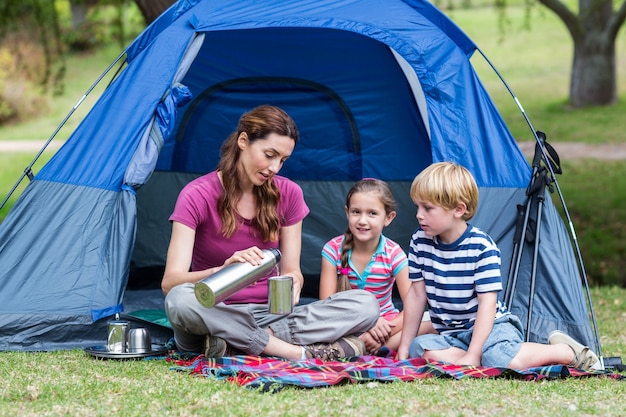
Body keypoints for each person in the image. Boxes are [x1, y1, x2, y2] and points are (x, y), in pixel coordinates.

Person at [162, 105, 379, 361]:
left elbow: (291, 270)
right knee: (180, 300)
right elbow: (170, 283)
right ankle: (292, 351)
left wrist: (294, 283)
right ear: (243, 141)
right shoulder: (196, 195)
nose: (274, 167)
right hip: (213, 310)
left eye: (283, 160)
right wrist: (222, 270)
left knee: (365, 304)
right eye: (269, 154)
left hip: (270, 314)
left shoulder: (289, 194)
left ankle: (234, 344)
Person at [396, 162, 599, 370]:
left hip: (493, 327)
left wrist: (474, 353)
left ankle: (563, 351)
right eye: (417, 207)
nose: (419, 215)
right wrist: (403, 347)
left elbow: (487, 304)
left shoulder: (481, 247)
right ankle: (482, 357)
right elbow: (417, 295)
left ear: (458, 209)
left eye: (427, 208)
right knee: (419, 347)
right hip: (453, 334)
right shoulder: (420, 241)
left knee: (498, 358)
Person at [319, 178, 434, 355]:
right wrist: (367, 324)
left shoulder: (394, 254)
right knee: (318, 327)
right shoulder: (332, 250)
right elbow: (326, 307)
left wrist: (380, 330)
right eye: (356, 212)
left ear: (388, 218)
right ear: (347, 212)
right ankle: (368, 347)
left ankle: (369, 346)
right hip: (344, 324)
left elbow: (412, 306)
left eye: (372, 213)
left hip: (385, 327)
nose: (362, 220)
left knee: (429, 324)